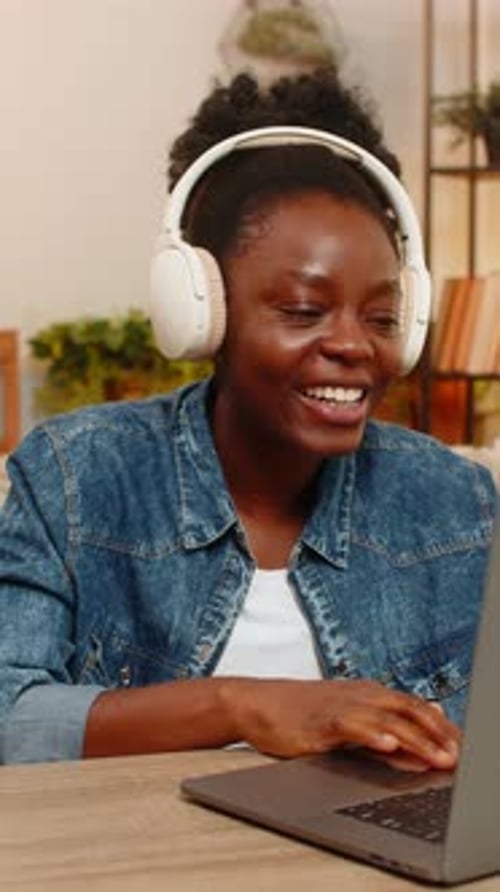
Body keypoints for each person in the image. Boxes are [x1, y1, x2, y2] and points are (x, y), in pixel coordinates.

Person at [0, 68, 496, 767]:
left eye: (383, 317)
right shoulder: (79, 479)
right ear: (204, 314)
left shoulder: (457, 503)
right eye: (302, 311)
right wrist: (244, 704)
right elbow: (8, 717)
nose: (353, 344)